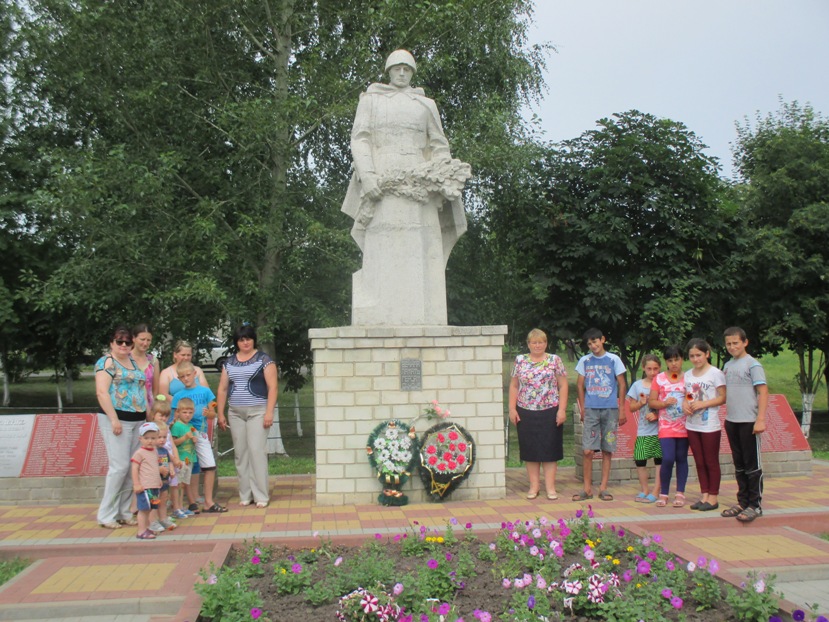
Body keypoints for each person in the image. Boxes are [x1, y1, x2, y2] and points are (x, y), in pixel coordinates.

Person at [341, 49, 471, 325]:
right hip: (383, 178)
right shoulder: (371, 101)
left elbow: (439, 145)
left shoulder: (425, 105)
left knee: (423, 247)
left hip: (420, 183)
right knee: (383, 246)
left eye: (407, 69)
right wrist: (368, 176)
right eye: (397, 68)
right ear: (388, 71)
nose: (401, 73)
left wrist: (440, 175)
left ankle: (425, 315)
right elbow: (360, 139)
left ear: (412, 72)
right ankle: (381, 314)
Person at [217, 324, 277, 508]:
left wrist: (269, 412)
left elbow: (272, 387)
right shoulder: (229, 362)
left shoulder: (264, 360)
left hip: (258, 411)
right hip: (235, 412)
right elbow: (223, 388)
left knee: (256, 452)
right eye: (241, 340)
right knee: (240, 453)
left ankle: (261, 495)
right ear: (236, 342)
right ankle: (245, 494)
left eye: (248, 339)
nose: (245, 342)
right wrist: (220, 413)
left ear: (253, 340)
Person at [95, 325, 148, 529]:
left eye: (127, 342)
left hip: (137, 419)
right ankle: (106, 514)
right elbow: (102, 392)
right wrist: (114, 419)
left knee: (131, 467)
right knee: (119, 467)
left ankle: (123, 512)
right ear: (112, 343)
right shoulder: (106, 362)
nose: (124, 345)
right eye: (119, 341)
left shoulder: (132, 361)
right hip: (117, 419)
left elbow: (140, 389)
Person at [508, 328, 568, 500]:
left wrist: (562, 409)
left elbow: (563, 385)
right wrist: (512, 409)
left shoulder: (554, 360)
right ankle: (534, 486)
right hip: (526, 410)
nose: (537, 345)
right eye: (534, 342)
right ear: (528, 344)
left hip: (550, 410)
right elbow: (514, 385)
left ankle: (550, 488)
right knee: (530, 449)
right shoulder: (520, 360)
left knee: (550, 449)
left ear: (546, 343)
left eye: (541, 342)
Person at [721, 326, 768, 523]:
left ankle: (755, 505)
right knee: (739, 465)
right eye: (729, 344)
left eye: (736, 343)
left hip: (749, 421)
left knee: (752, 466)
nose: (732, 347)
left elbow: (763, 392)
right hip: (732, 421)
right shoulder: (728, 365)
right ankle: (742, 502)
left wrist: (760, 419)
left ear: (745, 342)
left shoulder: (753, 365)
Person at [573, 328, 627, 502]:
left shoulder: (613, 359)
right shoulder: (585, 360)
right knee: (588, 450)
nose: (593, 346)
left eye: (595, 341)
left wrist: (622, 408)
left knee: (607, 448)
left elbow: (622, 384)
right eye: (589, 343)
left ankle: (603, 488)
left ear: (602, 340)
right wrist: (583, 407)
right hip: (591, 409)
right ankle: (587, 488)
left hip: (610, 409)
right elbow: (580, 385)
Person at [170, 361, 226, 513]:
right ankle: (190, 502)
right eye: (182, 377)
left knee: (210, 465)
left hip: (200, 433)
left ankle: (208, 501)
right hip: (184, 433)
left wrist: (210, 413)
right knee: (188, 467)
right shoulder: (178, 396)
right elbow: (174, 417)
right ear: (179, 378)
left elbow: (213, 412)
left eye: (188, 375)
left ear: (195, 374)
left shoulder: (205, 391)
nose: (186, 378)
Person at [684, 338, 726, 512]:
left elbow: (722, 397)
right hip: (692, 424)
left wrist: (704, 404)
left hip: (709, 424)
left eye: (699, 355)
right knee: (699, 461)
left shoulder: (715, 373)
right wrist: (686, 405)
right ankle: (704, 495)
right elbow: (687, 394)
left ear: (707, 354)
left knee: (710, 461)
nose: (696, 359)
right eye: (692, 356)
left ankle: (713, 496)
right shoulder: (688, 374)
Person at [649, 345, 689, 508]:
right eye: (670, 360)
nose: (674, 363)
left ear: (682, 360)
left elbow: (694, 396)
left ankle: (680, 493)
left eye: (677, 359)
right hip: (666, 426)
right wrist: (664, 403)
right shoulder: (659, 379)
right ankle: (664, 493)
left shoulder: (689, 378)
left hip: (685, 426)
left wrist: (688, 401)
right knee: (667, 458)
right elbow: (652, 402)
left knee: (681, 458)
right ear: (666, 362)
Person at [626, 354, 662, 503]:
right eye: (649, 369)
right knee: (640, 460)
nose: (652, 372)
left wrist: (657, 415)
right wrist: (641, 403)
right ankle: (645, 489)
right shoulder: (637, 385)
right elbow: (631, 408)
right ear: (643, 368)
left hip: (661, 430)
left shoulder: (663, 383)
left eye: (655, 369)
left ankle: (656, 490)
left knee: (660, 461)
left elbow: (670, 406)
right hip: (643, 430)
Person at [130, 421, 163, 540]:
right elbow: (134, 468)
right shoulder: (139, 453)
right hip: (145, 487)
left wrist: (159, 479)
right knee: (143, 509)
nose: (150, 441)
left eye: (153, 438)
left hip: (154, 485)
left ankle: (147, 527)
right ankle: (141, 531)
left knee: (150, 508)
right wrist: (136, 483)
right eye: (146, 438)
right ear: (140, 439)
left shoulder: (155, 451)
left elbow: (155, 466)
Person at [170, 397, 198, 518]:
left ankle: (181, 506)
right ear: (178, 412)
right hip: (180, 459)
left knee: (184, 483)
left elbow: (192, 439)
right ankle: (177, 507)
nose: (187, 415)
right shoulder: (177, 426)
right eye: (184, 412)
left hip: (189, 459)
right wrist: (185, 438)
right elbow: (173, 443)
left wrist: (194, 439)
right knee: (178, 484)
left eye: (190, 412)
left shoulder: (190, 425)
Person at [131, 323, 160, 412]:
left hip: (148, 408)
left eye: (148, 340)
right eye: (142, 339)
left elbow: (155, 390)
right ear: (134, 338)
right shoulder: (125, 358)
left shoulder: (153, 361)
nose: (145, 343)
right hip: (128, 407)